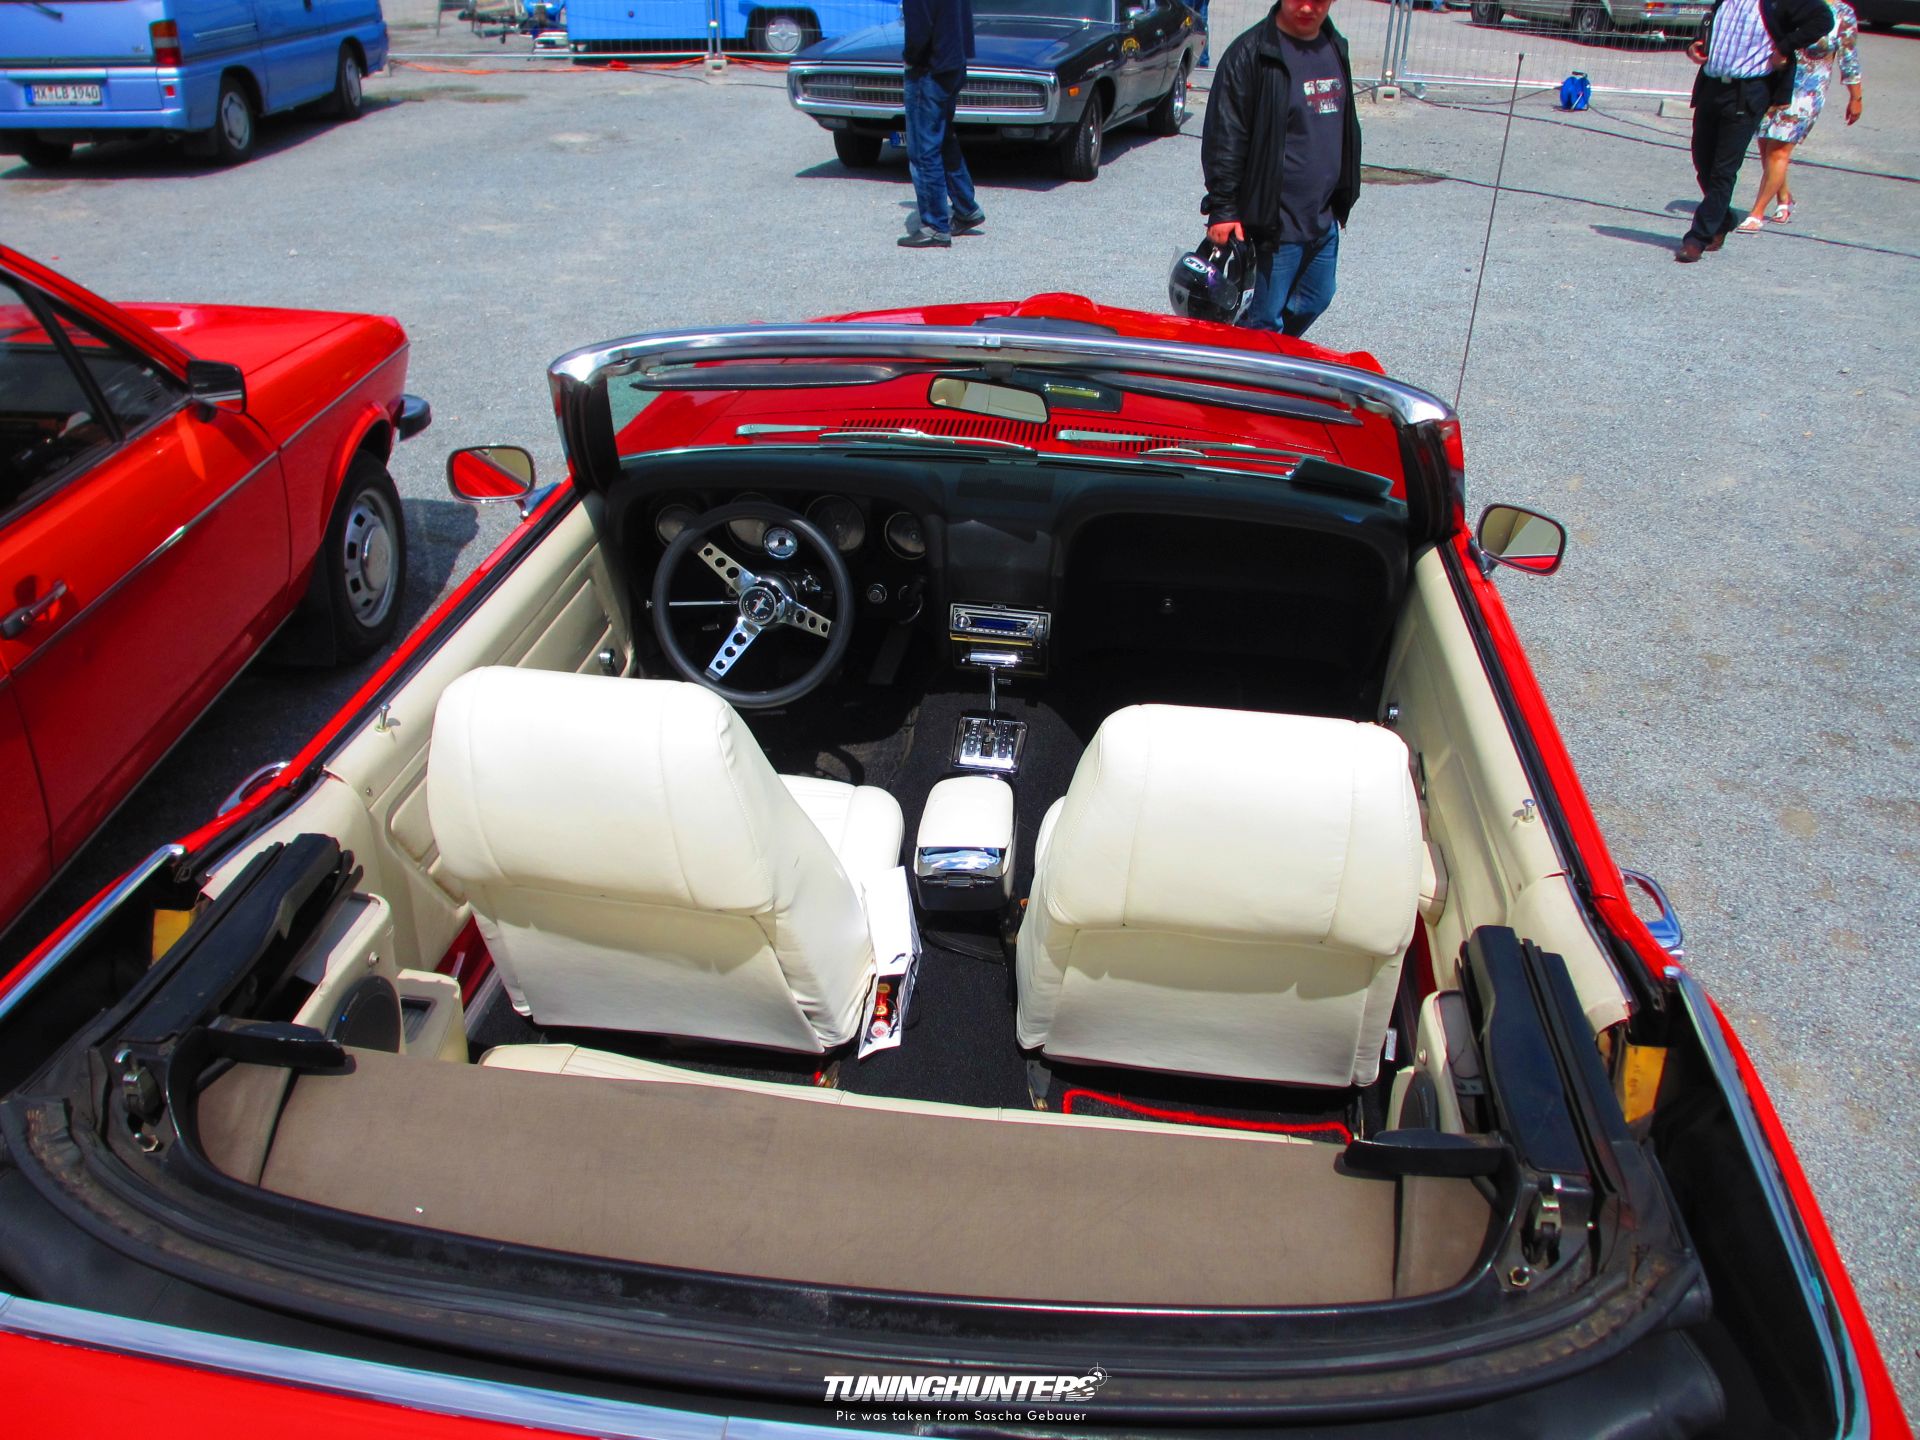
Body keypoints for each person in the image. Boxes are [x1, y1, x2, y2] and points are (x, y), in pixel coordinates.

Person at [1199, 0, 1361, 337]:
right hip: (1273, 223)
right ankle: (1247, 357)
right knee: (1265, 320)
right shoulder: (1251, 53)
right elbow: (1225, 133)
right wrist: (1223, 207)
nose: (1307, 7)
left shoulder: (1334, 45)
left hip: (1321, 216)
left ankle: (1261, 351)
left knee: (1315, 297)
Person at [1677, 0, 1833, 263]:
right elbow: (1713, 28)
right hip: (1712, 86)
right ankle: (1723, 218)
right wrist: (1695, 45)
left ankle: (1697, 239)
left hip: (1748, 92)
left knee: (1723, 169)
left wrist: (1785, 46)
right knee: (1702, 161)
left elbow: (1822, 19)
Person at [1737, 0, 1863, 232]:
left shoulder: (1842, 13)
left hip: (1808, 90)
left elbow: (1849, 58)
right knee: (1766, 144)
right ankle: (1784, 198)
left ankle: (1757, 213)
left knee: (1778, 149)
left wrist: (1856, 97)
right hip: (1775, 83)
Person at [898, 0, 985, 248]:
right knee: (943, 138)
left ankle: (935, 225)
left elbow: (919, 28)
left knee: (923, 148)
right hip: (954, 60)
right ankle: (966, 207)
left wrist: (911, 57)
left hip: (930, 69)